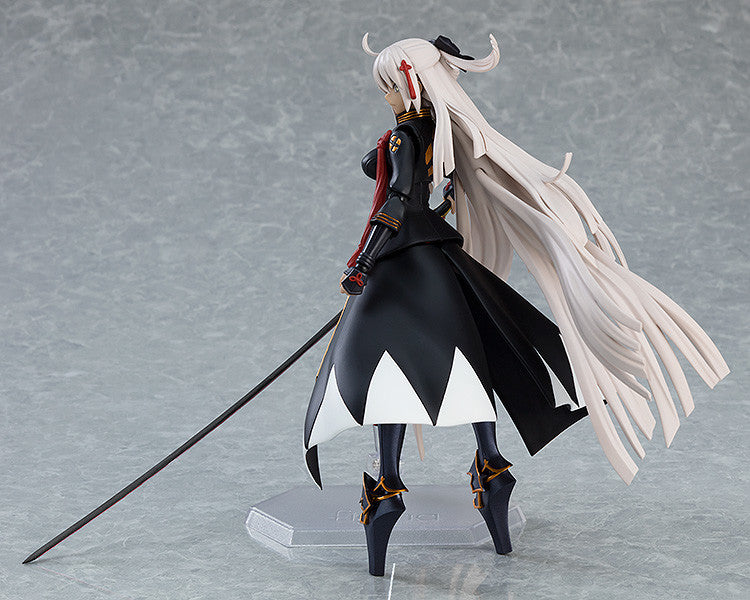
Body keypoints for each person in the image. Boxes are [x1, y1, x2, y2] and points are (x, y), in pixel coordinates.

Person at [303, 34, 729, 576]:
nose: (384, 96)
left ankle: (386, 485)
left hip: (401, 262)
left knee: (384, 372)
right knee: (475, 359)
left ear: (409, 83)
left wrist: (363, 261)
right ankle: (489, 468)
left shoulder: (407, 136)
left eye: (388, 86)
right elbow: (406, 184)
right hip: (436, 259)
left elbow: (398, 201)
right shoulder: (436, 133)